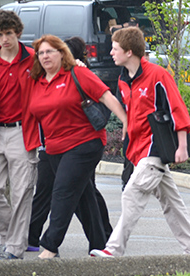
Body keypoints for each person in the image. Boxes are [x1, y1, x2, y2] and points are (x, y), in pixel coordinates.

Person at [89, 27, 190, 257]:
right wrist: (126, 129)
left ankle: (113, 249)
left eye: (115, 49)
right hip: (137, 149)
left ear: (129, 52)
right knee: (172, 204)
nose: (111, 52)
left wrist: (182, 145)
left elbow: (177, 109)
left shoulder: (158, 75)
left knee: (132, 193)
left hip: (156, 148)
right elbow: (132, 111)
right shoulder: (123, 80)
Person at [25, 34, 127, 259]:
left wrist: (127, 122)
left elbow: (106, 96)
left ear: (62, 53)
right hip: (52, 148)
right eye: (41, 53)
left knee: (62, 192)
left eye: (50, 51)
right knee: (83, 196)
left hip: (85, 142)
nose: (45, 56)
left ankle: (50, 246)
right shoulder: (36, 81)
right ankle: (100, 244)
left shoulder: (77, 73)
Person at [0, 10, 41, 260]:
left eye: (9, 33)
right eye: (0, 34)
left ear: (17, 33)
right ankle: (9, 236)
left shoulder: (34, 59)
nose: (5, 38)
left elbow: (63, 70)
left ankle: (14, 248)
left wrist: (79, 63)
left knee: (22, 191)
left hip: (23, 132)